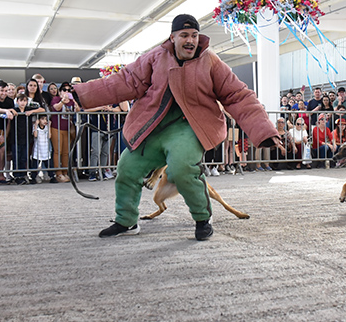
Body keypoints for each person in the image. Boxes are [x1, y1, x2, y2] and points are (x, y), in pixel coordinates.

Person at [72, 14, 281, 241]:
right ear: (172, 37)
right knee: (127, 168)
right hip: (153, 127)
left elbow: (238, 95)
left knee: (182, 168)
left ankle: (203, 218)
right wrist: (82, 94)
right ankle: (126, 220)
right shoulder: (155, 57)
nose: (190, 40)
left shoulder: (211, 61)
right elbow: (126, 81)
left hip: (189, 127)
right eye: (184, 35)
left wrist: (264, 131)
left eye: (194, 35)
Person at [31, 114, 54, 183]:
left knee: (49, 163)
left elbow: (49, 136)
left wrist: (49, 126)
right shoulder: (36, 127)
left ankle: (52, 176)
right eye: (42, 119)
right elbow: (35, 135)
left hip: (45, 148)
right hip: (38, 149)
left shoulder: (46, 127)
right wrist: (36, 125)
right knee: (35, 164)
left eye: (46, 119)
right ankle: (33, 177)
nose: (44, 121)